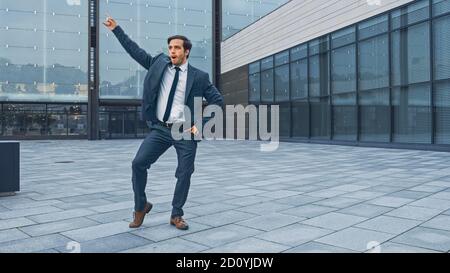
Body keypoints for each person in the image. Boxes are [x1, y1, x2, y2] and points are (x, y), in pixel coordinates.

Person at [103, 15, 224, 230]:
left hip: (184, 130)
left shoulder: (199, 77)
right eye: (170, 47)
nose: (172, 51)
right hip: (160, 128)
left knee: (184, 172)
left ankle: (176, 214)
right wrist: (116, 29)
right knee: (138, 164)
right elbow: (135, 50)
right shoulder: (158, 64)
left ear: (187, 51)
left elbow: (218, 101)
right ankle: (141, 206)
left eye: (177, 47)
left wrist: (202, 124)